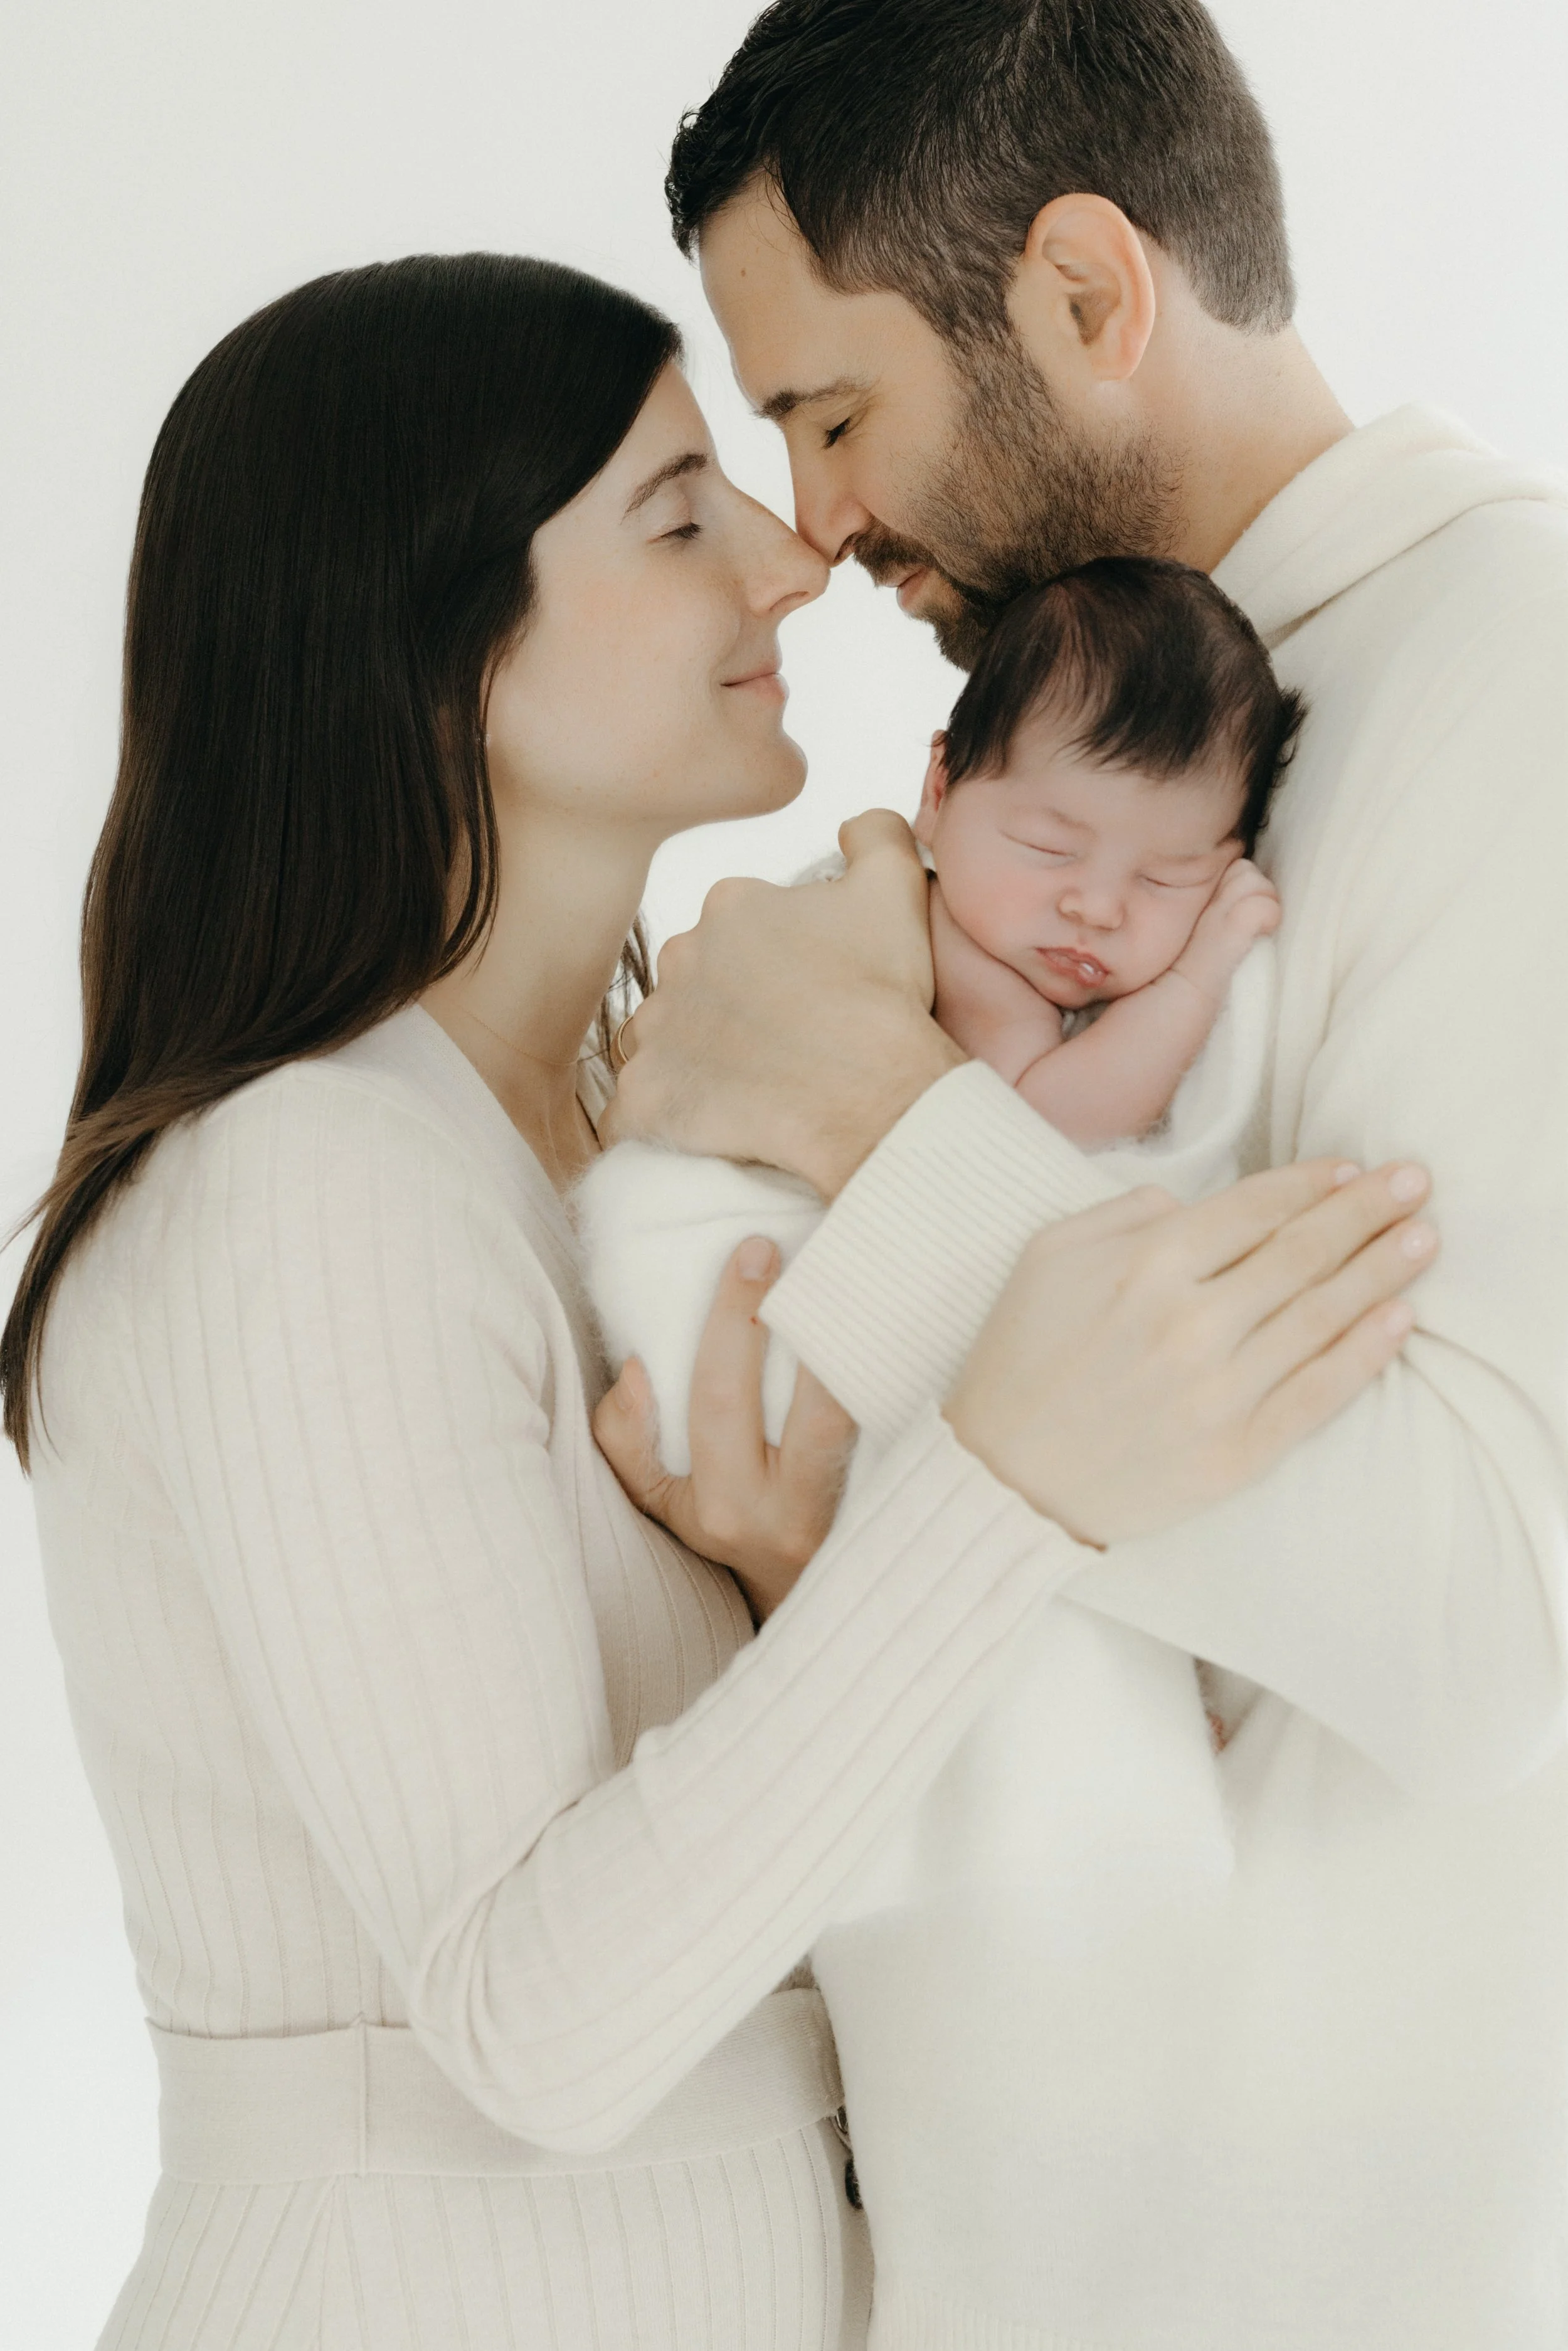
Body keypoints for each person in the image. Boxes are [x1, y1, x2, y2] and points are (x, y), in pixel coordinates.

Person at [0, 252, 1425, 2351]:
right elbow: (544, 2026)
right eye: (678, 512)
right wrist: (1005, 1474)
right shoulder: (306, 1185)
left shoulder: (614, 1130)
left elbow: (749, 1852)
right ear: (433, 635)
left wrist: (794, 1556)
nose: (792, 551)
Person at [596, 2, 1568, 2344]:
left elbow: (1486, 1612)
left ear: (1083, 295)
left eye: (834, 416)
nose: (815, 528)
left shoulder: (1511, 684)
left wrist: (871, 1123)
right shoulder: (1167, 725)